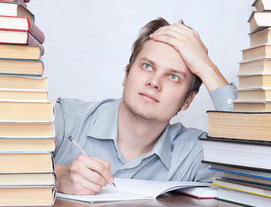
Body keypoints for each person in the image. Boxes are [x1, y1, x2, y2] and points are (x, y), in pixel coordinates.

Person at [53, 17, 237, 195]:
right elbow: (22, 162)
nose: (154, 82)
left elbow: (258, 170)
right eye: (147, 66)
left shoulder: (195, 154)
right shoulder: (65, 119)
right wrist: (57, 176)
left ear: (187, 100)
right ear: (126, 74)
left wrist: (207, 68)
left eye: (173, 76)